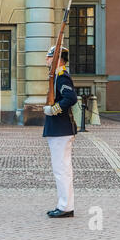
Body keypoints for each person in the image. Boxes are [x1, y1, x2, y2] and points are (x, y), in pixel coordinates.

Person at [43, 45, 78, 218]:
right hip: (59, 129)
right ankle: (65, 204)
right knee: (62, 169)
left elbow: (71, 98)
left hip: (61, 128)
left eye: (49, 57)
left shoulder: (62, 76)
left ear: (57, 59)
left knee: (61, 169)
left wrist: (54, 109)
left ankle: (65, 206)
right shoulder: (56, 76)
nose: (46, 60)